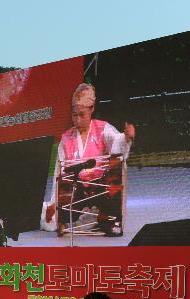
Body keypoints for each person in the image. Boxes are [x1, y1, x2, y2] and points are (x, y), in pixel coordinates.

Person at [43, 83, 135, 233]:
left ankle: (101, 215)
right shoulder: (66, 138)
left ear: (92, 110)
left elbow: (116, 142)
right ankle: (78, 216)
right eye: (74, 115)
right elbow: (58, 174)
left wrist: (126, 138)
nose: (78, 120)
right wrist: (55, 202)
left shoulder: (102, 129)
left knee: (115, 172)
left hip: (100, 187)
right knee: (50, 217)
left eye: (82, 115)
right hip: (76, 189)